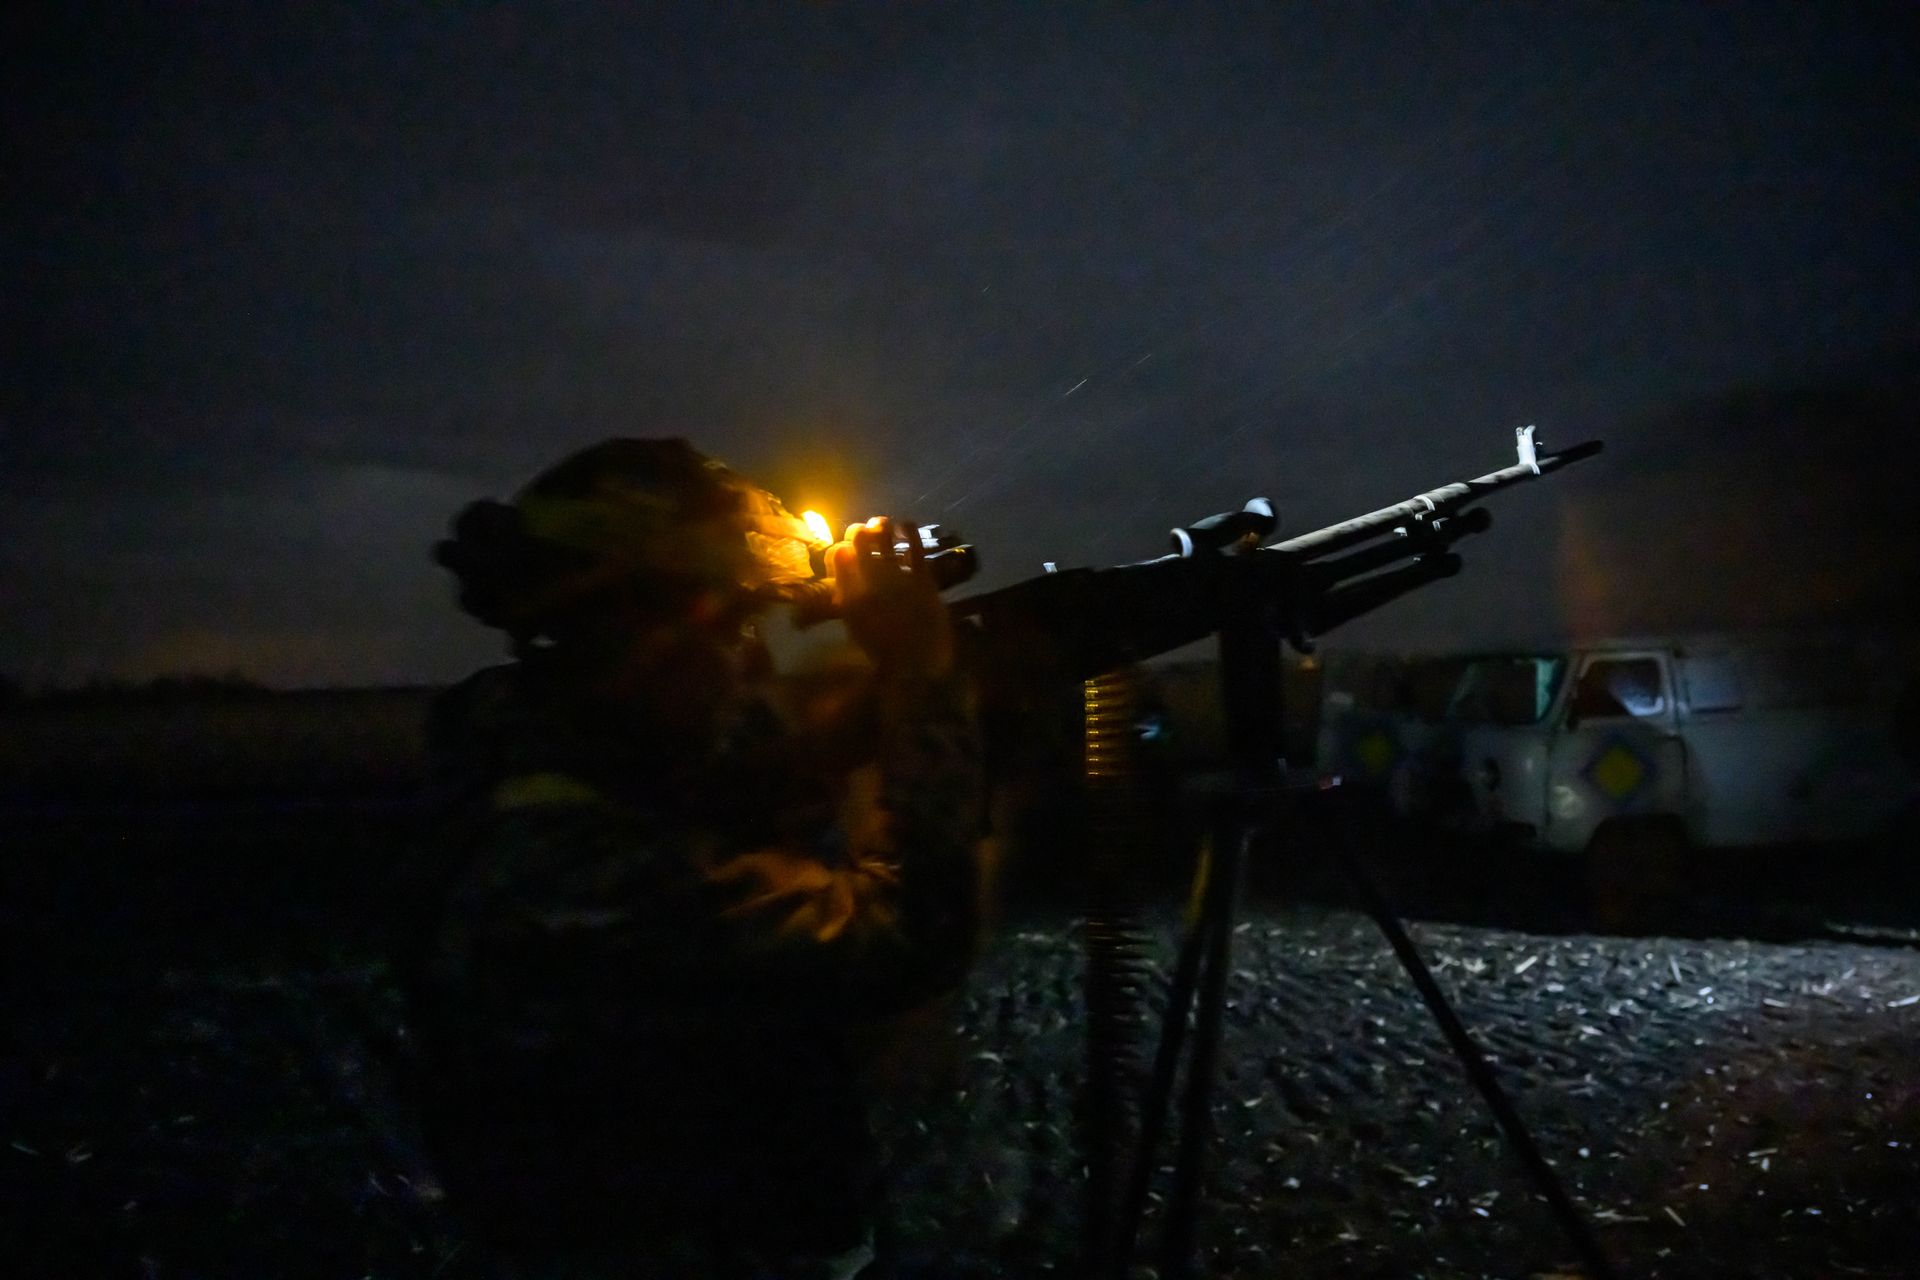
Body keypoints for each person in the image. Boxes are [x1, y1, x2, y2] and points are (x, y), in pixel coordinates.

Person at [396, 438, 984, 1278]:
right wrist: (920, 680)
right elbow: (907, 940)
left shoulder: (539, 763)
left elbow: (726, 795)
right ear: (640, 634)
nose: (748, 659)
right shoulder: (567, 864)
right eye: (732, 623)